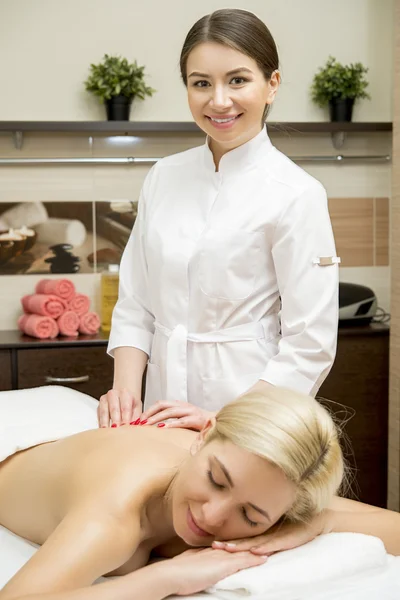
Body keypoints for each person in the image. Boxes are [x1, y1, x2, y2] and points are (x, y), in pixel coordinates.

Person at [100, 7, 340, 430]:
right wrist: (124, 393)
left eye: (238, 80)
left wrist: (221, 419)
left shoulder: (298, 194)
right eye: (201, 83)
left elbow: (310, 345)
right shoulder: (163, 177)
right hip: (157, 414)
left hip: (249, 420)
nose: (219, 101)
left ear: (272, 85)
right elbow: (136, 303)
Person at [1, 386, 399, 600]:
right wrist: (169, 576)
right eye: (216, 479)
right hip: (21, 441)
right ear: (204, 434)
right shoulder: (118, 510)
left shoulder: (263, 476)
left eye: (252, 517)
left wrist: (315, 523)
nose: (212, 517)